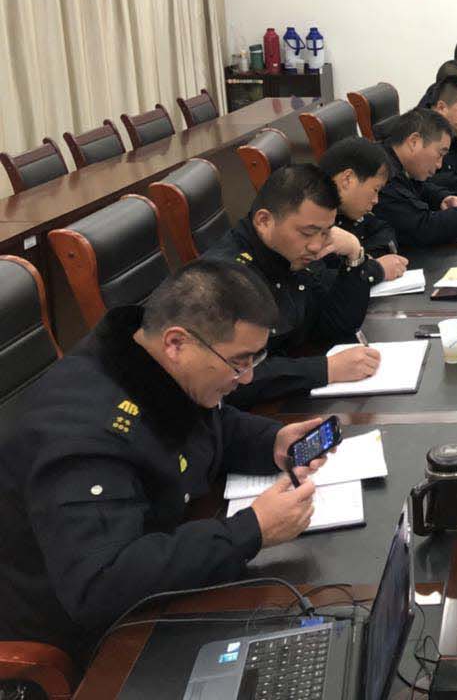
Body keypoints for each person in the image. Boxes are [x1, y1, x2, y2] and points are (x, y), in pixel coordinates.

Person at [0, 261, 332, 663]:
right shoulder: (84, 438)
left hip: (161, 559)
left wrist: (271, 442)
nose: (246, 378)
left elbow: (208, 424)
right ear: (176, 343)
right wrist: (252, 530)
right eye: (239, 362)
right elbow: (101, 585)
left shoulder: (150, 365)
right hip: (90, 639)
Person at [204, 165, 382, 406]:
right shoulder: (227, 279)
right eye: (308, 233)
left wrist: (354, 255)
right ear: (264, 221)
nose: (316, 246)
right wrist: (326, 369)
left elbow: (337, 325)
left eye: (326, 232)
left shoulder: (290, 254)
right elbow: (231, 380)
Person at [374, 108, 457, 248]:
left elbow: (418, 187)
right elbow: (421, 228)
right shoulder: (380, 173)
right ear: (414, 142)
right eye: (440, 154)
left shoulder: (394, 161)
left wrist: (441, 198)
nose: (439, 165)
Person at [316, 136, 408, 279]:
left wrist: (363, 260)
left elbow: (384, 232)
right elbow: (324, 283)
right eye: (375, 189)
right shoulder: (312, 224)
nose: (376, 200)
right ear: (348, 179)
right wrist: (374, 269)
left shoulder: (347, 213)